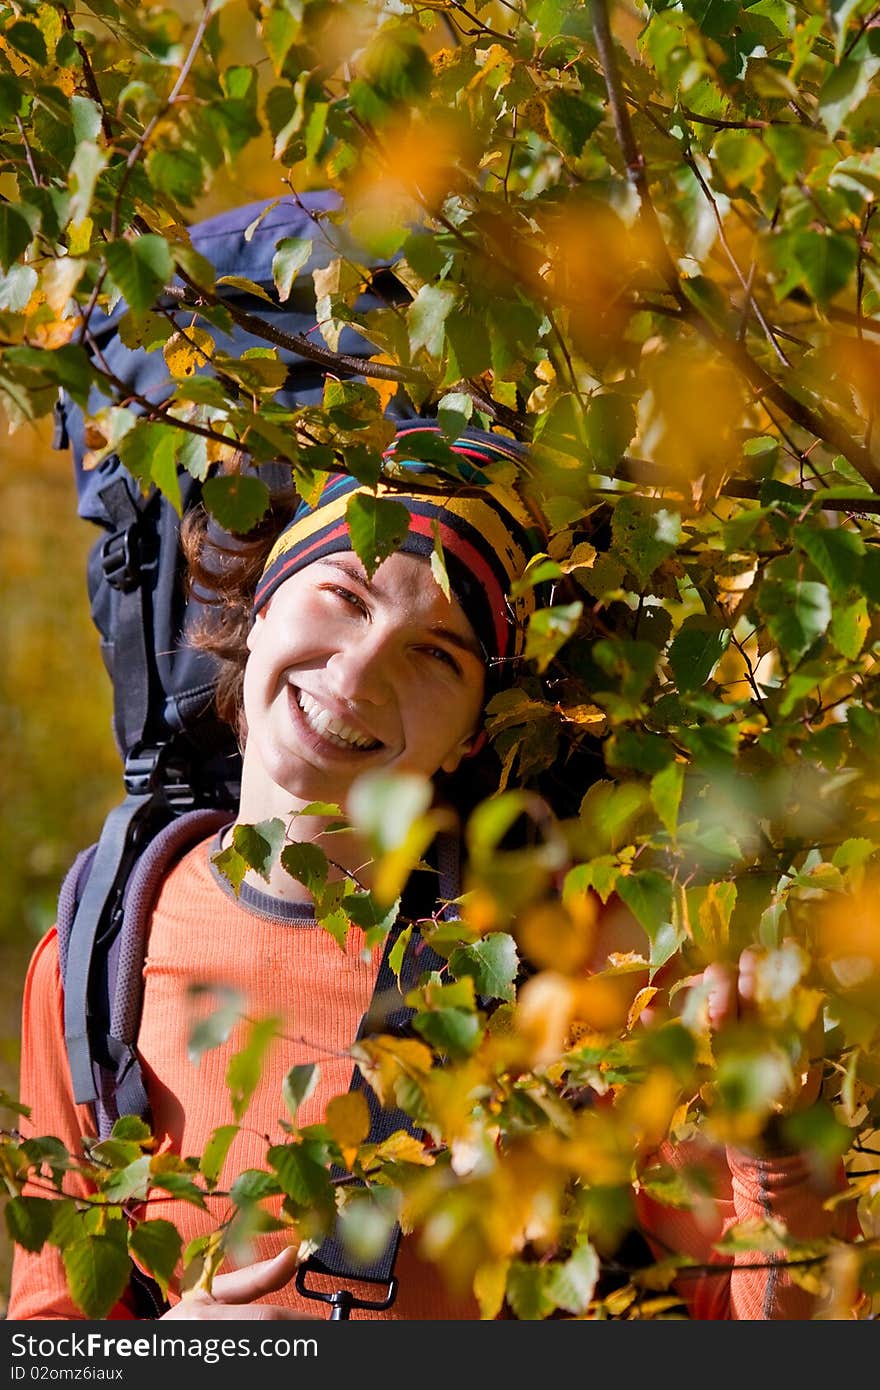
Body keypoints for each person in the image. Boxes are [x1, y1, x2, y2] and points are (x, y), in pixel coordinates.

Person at [7, 422, 857, 1321]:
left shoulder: (573, 970)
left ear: (473, 735)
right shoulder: (93, 960)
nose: (361, 671)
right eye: (343, 595)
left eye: (436, 655)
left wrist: (778, 1152)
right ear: (260, 604)